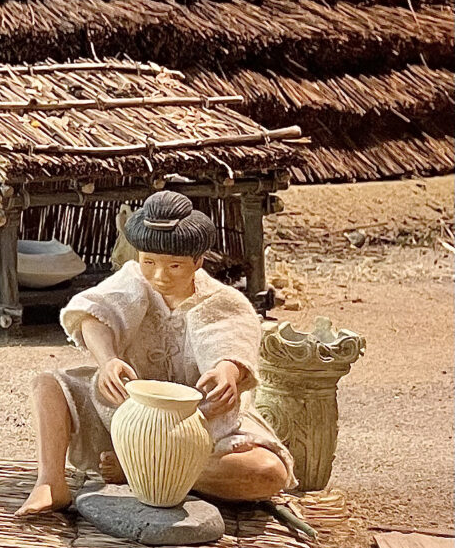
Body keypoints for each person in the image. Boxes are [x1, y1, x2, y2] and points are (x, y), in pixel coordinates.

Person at [17, 190, 292, 517]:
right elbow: (94, 315)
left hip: (197, 425)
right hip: (130, 415)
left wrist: (227, 373)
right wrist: (108, 361)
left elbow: (228, 341)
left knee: (265, 472)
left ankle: (142, 469)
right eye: (149, 262)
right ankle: (51, 483)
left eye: (174, 265)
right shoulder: (134, 280)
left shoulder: (221, 301)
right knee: (48, 385)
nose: (160, 275)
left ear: (197, 261)